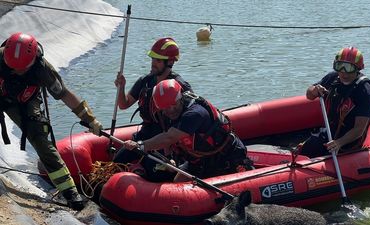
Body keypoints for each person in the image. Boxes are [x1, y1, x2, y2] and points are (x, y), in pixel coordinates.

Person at [0, 32, 103, 210]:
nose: (16, 71)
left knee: (41, 140)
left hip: (26, 101)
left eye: (21, 69)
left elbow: (65, 95)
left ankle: (70, 192)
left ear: (32, 62)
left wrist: (89, 119)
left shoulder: (43, 70)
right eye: (12, 68)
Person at [123, 79, 253, 182]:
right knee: (177, 184)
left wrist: (142, 145)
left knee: (243, 187)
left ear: (180, 98)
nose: (170, 110)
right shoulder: (165, 114)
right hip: (198, 162)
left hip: (226, 157)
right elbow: (168, 141)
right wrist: (170, 159)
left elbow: (170, 137)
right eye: (165, 107)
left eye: (173, 104)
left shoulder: (195, 113)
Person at [113, 37, 192, 181]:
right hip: (145, 134)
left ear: (170, 62)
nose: (153, 64)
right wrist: (121, 87)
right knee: (118, 161)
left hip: (165, 139)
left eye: (158, 60)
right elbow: (124, 104)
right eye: (153, 59)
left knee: (156, 173)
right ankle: (137, 169)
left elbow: (187, 121)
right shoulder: (145, 81)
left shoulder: (180, 86)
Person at [300, 46, 370, 158]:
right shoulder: (332, 78)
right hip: (329, 132)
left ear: (358, 68)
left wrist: (339, 142)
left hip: (348, 141)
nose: (344, 73)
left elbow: (359, 129)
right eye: (340, 66)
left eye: (349, 68)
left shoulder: (365, 91)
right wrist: (314, 90)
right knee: (306, 151)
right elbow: (309, 95)